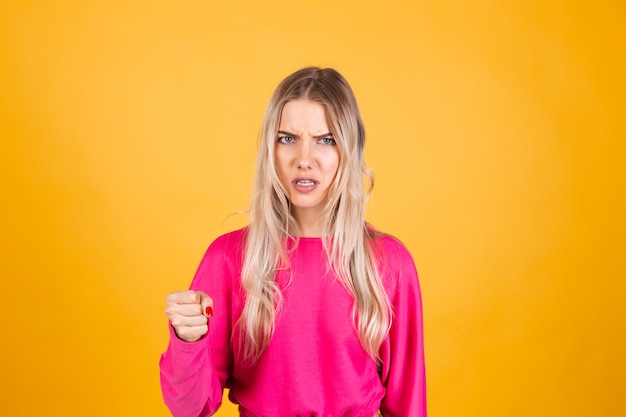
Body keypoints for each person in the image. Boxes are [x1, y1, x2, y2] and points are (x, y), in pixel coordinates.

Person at [159, 67, 427, 417]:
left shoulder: (390, 263)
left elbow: (409, 407)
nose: (304, 159)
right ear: (270, 150)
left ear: (349, 150)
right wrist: (188, 340)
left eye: (325, 139)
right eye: (287, 138)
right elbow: (190, 408)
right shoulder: (228, 258)